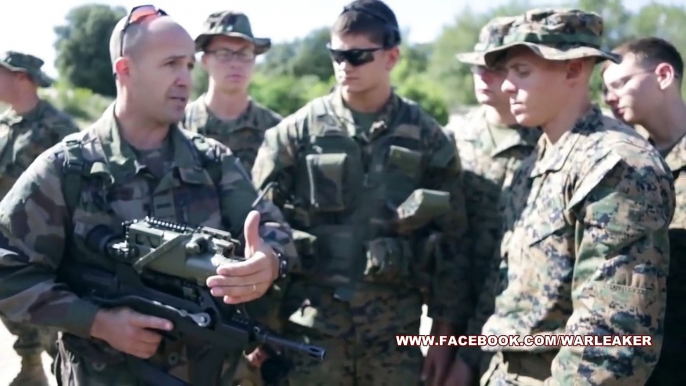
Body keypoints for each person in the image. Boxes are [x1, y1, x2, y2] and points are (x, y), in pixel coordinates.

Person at [0, 6, 296, 385]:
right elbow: (8, 269)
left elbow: (276, 232)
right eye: (171, 64)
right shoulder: (68, 168)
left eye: (189, 66)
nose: (185, 79)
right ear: (125, 70)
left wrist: (267, 261)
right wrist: (97, 322)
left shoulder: (213, 161)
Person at [450, 8, 675, 386]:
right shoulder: (537, 160)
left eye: (522, 71)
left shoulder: (616, 166)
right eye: (507, 73)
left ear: (574, 70)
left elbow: (614, 337)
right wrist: (472, 358)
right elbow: (507, 282)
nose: (506, 85)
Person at [251, 1, 470, 385]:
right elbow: (258, 231)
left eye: (357, 56)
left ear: (391, 57)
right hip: (308, 336)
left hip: (394, 339)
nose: (344, 66)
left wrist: (443, 332)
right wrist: (258, 326)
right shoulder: (294, 136)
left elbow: (452, 242)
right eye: (337, 54)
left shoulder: (427, 137)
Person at [443, 16, 541, 386]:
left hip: (522, 310)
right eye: (476, 67)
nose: (483, 77)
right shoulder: (453, 138)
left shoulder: (545, 137)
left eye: (494, 68)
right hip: (458, 304)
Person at [602, 36, 686, 386]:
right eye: (605, 89)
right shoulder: (628, 167)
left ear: (664, 75)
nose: (610, 97)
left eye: (620, 83)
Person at [0, 50, 80, 386]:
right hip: (8, 239)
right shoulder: (6, 124)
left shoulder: (58, 127)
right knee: (9, 303)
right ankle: (31, 366)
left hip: (46, 244)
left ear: (22, 77)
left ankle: (66, 375)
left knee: (54, 325)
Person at [183, 11, 282, 176]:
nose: (235, 63)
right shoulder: (178, 126)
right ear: (205, 61)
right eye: (224, 54)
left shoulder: (276, 130)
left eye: (244, 54)